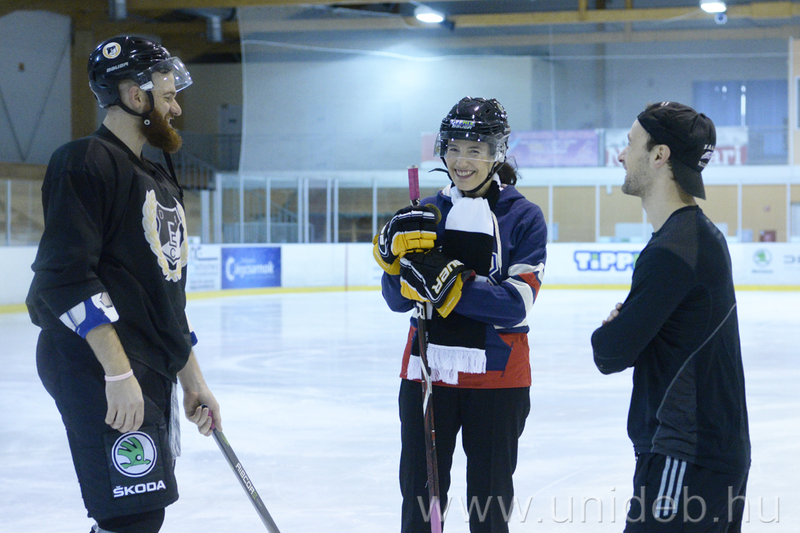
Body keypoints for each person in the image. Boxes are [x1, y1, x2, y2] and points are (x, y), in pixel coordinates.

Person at [26, 36, 221, 533]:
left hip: (144, 361)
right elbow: (65, 279)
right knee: (131, 516)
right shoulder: (84, 162)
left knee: (141, 514)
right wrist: (117, 375)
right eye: (168, 96)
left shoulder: (157, 177)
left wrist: (192, 379)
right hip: (94, 362)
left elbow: (166, 296)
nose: (176, 108)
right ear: (136, 97)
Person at [374, 97, 547, 533]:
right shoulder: (426, 213)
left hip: (498, 379)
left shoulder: (523, 217)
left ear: (497, 153)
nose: (461, 161)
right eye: (453, 148)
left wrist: (451, 284)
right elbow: (398, 301)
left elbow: (515, 304)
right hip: (426, 375)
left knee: (488, 505)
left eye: (475, 150)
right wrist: (394, 265)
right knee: (420, 503)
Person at [591, 102, 750, 532]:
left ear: (660, 155)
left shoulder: (674, 251)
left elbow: (610, 352)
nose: (621, 155)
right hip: (707, 457)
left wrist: (611, 330)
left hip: (684, 458)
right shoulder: (696, 237)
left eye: (630, 144)